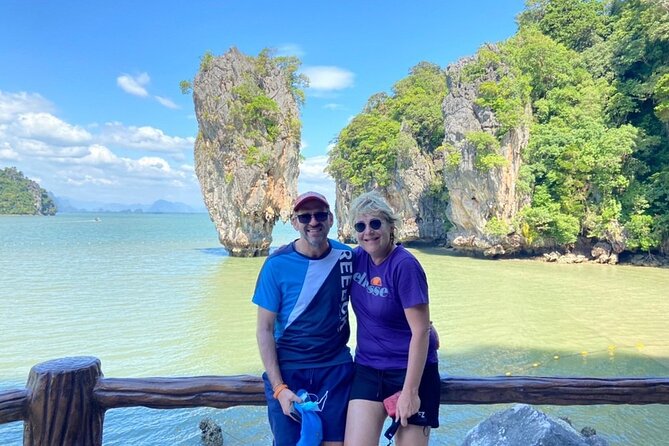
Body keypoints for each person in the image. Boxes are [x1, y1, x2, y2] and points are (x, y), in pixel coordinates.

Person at [253, 191, 355, 446]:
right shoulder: (276, 265)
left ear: (331, 219)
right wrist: (279, 387)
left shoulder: (348, 257)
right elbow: (264, 330)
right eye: (305, 216)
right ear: (295, 222)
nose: (313, 222)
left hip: (334, 367)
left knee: (335, 443)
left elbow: (380, 293)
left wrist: (424, 327)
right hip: (289, 369)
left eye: (320, 215)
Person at [344, 191, 440, 446]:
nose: (368, 232)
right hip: (368, 369)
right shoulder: (355, 258)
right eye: (360, 226)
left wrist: (410, 391)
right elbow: (321, 253)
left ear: (390, 226)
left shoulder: (404, 265)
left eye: (376, 223)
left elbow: (420, 332)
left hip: (410, 372)